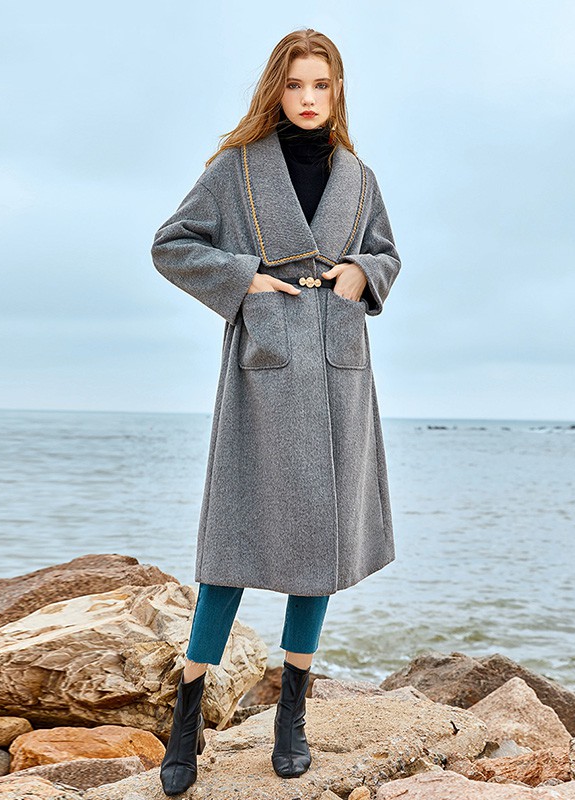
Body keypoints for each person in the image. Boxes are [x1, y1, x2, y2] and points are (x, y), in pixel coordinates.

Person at [150, 27, 402, 796]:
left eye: (321, 84)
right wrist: (245, 279)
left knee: (317, 551)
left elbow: (387, 252)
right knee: (231, 547)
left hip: (337, 371)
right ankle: (186, 718)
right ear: (276, 89)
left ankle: (292, 714)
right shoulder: (235, 170)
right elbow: (172, 245)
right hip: (264, 370)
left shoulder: (358, 177)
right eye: (296, 84)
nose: (308, 98)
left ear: (337, 90)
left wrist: (361, 273)